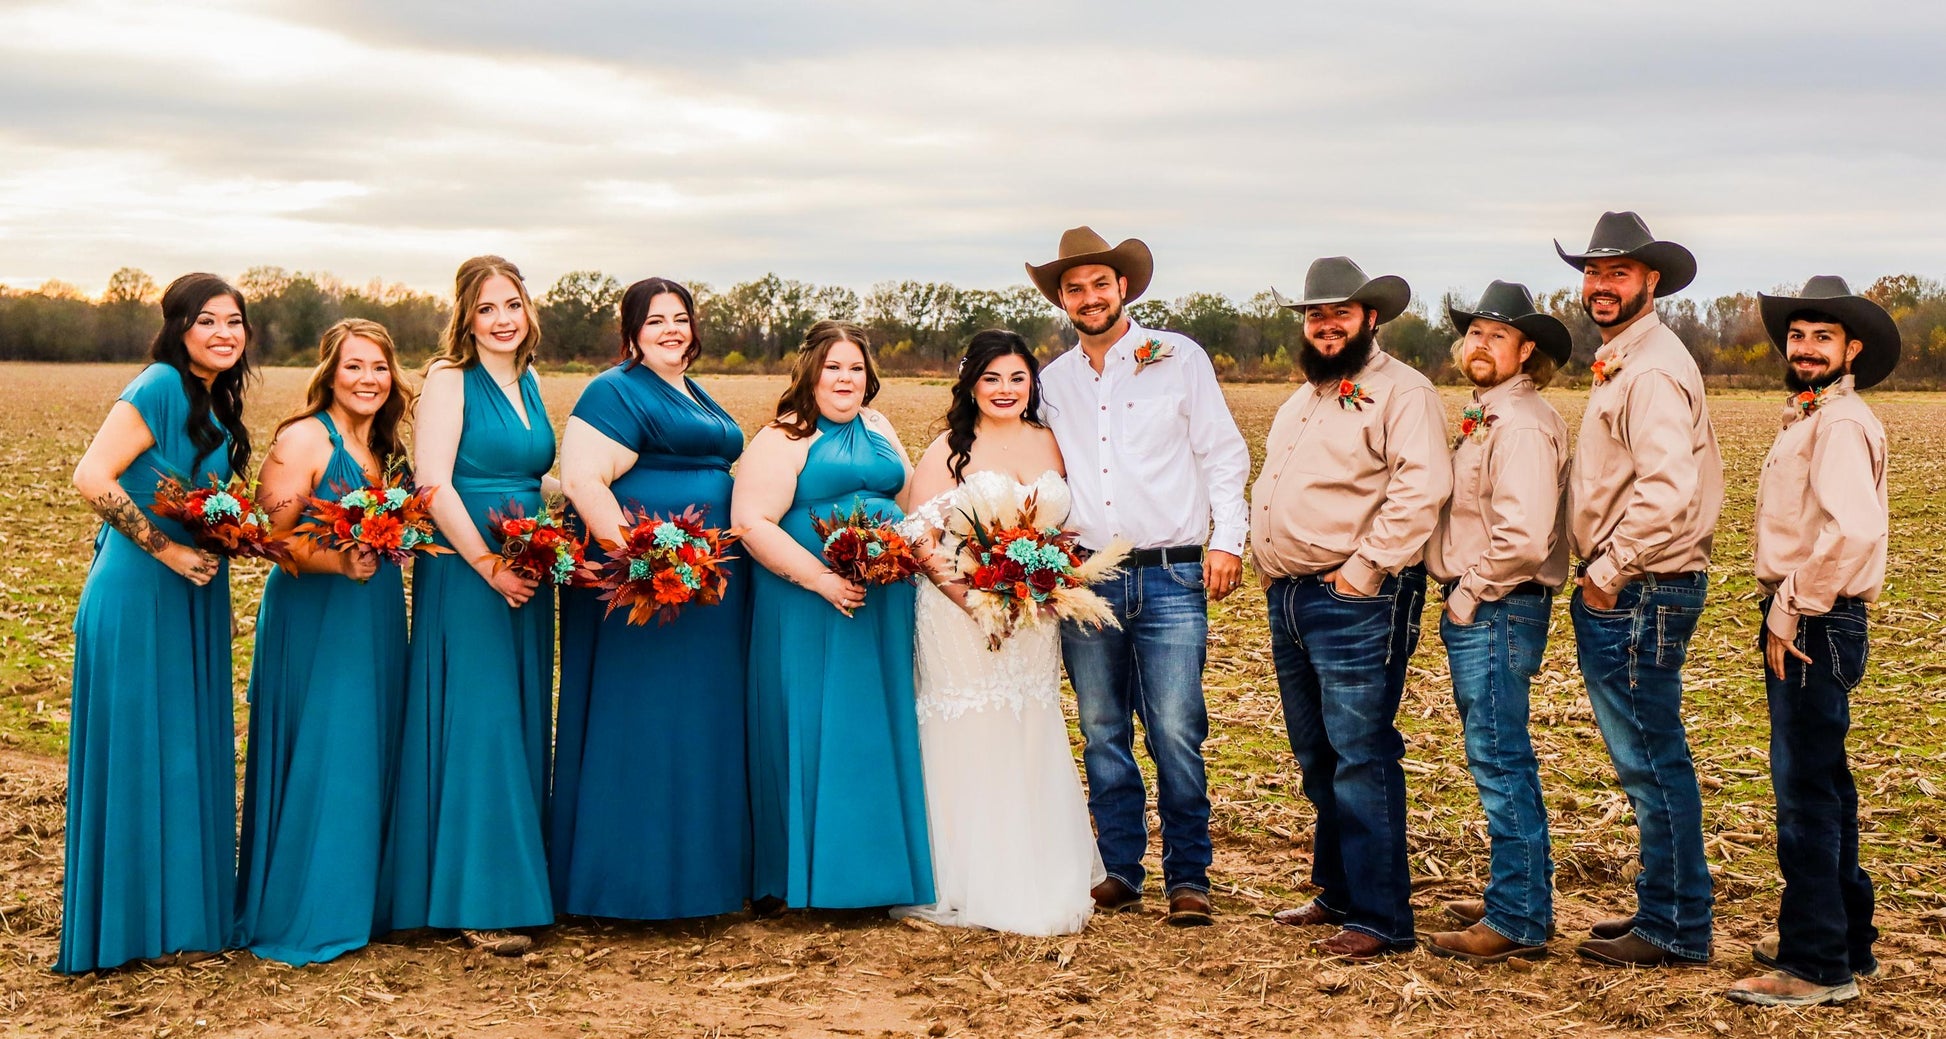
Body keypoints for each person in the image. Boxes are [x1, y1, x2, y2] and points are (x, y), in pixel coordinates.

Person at [1030, 226, 1250, 927]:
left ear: (1124, 288)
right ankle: (1121, 866)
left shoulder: (1178, 357)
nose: (1089, 297)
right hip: (1088, 578)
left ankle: (1190, 875)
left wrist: (1228, 540)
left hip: (1172, 574)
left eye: (1101, 283)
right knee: (1100, 727)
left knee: (1177, 729)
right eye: (1075, 288)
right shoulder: (1053, 381)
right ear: (1063, 300)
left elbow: (1223, 453)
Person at [1252, 257, 1450, 960]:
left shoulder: (1404, 391)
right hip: (1293, 598)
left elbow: (1421, 488)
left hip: (1357, 600)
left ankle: (1382, 916)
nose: (1326, 324)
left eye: (1340, 313)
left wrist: (1364, 570)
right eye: (1315, 314)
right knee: (1317, 755)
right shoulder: (1303, 397)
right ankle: (1336, 891)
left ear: (1371, 318)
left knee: (1362, 754)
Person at [59, 273, 254, 973]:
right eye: (208, 321)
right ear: (179, 328)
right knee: (146, 750)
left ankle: (180, 922)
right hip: (140, 591)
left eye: (234, 322)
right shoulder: (160, 386)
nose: (224, 333)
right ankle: (136, 928)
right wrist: (167, 548)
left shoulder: (214, 401)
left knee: (182, 750)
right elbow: (91, 475)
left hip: (191, 594)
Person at [891, 329, 1105, 936]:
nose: (1005, 390)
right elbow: (918, 540)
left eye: (1017, 378)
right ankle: (964, 876)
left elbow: (1061, 534)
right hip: (958, 614)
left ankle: (1036, 865)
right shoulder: (950, 449)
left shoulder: (1050, 441)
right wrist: (974, 601)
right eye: (992, 379)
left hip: (1033, 618)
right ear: (971, 384)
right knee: (971, 723)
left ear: (1032, 382)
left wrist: (1042, 585)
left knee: (1027, 722)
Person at [552, 278, 751, 920]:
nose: (671, 328)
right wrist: (643, 562)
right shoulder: (612, 391)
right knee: (643, 718)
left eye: (681, 317)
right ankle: (627, 882)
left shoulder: (693, 390)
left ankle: (705, 879)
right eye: (655, 319)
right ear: (631, 331)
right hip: (651, 591)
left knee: (700, 720)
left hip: (709, 587)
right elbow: (584, 479)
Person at [1725, 277, 1898, 1007]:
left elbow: (1853, 529)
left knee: (1804, 795)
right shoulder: (1812, 416)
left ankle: (1814, 960)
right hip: (1819, 617)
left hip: (1816, 621)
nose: (1804, 348)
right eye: (1797, 335)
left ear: (1851, 348)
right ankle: (1847, 942)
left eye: (1822, 336)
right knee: (1827, 784)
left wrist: (1791, 606)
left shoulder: (1840, 423)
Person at [1557, 211, 1722, 967]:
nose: (1600, 284)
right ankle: (1664, 906)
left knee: (1652, 757)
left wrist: (1607, 570)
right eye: (1593, 271)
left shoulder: (1651, 369)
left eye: (1617, 271)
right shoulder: (1631, 357)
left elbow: (1668, 491)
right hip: (1642, 584)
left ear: (1650, 280)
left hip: (1641, 587)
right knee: (1650, 755)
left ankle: (1677, 927)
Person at [385, 256, 558, 955]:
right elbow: (431, 483)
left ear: (527, 308)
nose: (501, 319)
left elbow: (532, 471)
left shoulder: (533, 379)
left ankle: (515, 880)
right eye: (486, 308)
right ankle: (475, 897)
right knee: (478, 718)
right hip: (468, 566)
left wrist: (559, 530)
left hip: (526, 562)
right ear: (466, 316)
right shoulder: (448, 379)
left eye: (511, 303)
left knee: (517, 716)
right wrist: (487, 564)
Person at [732, 320, 933, 912]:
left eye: (855, 368)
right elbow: (751, 522)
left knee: (872, 726)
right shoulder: (784, 436)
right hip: (807, 600)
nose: (845, 378)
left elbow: (906, 503)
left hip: (881, 599)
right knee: (814, 722)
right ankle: (803, 877)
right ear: (810, 372)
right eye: (833, 367)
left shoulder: (879, 427)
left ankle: (873, 876)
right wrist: (820, 578)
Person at [236, 318, 413, 965]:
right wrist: (337, 561)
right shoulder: (304, 437)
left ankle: (364, 902)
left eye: (379, 367)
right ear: (330, 373)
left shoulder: (387, 447)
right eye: (354, 366)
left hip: (376, 614)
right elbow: (266, 534)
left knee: (368, 745)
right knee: (330, 747)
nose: (368, 379)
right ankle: (309, 908)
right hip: (318, 615)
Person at [1421, 281, 1572, 964]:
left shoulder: (1522, 425)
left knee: (1500, 757)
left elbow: (1524, 537)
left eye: (1497, 335)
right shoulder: (1490, 414)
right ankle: (1518, 897)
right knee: (1497, 753)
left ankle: (1517, 916)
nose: (1480, 345)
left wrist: (1468, 592)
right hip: (1488, 604)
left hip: (1498, 607)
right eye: (1475, 332)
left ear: (1526, 349)